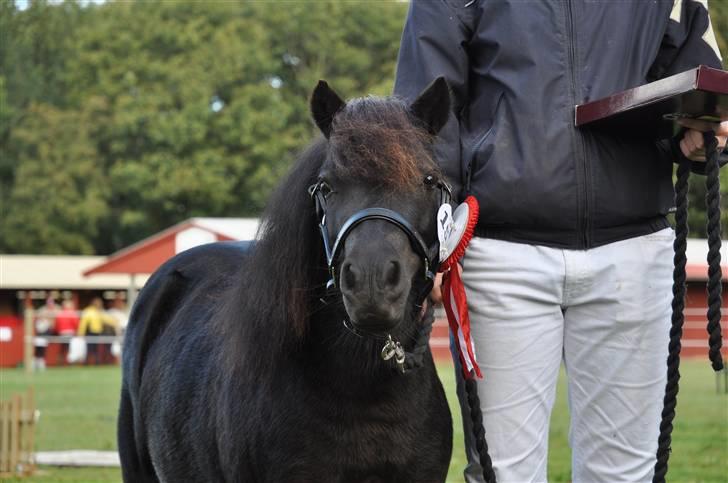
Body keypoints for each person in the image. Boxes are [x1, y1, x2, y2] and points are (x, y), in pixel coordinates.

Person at [394, 1, 727, 482]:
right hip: (498, 253)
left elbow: (699, 82)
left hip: (635, 249)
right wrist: (429, 246)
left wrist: (705, 132)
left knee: (626, 475)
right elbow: (424, 120)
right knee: (501, 475)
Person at [78, 297, 115, 365]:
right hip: (90, 333)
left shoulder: (99, 311)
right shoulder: (88, 311)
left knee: (96, 349)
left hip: (98, 333)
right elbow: (83, 323)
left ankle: (96, 362)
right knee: (89, 348)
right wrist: (81, 333)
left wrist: (115, 322)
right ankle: (86, 363)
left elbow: (107, 319)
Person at [33, 297, 58, 371]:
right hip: (43, 333)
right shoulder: (42, 310)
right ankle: (38, 361)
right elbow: (38, 320)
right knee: (39, 344)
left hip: (53, 332)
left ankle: (39, 361)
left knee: (41, 342)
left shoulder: (57, 309)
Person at [55, 300, 80, 365]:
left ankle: (60, 363)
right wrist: (77, 331)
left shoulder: (60, 313)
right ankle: (71, 363)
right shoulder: (72, 313)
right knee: (71, 348)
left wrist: (58, 332)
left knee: (62, 349)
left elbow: (57, 325)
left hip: (62, 333)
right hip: (70, 333)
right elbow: (76, 323)